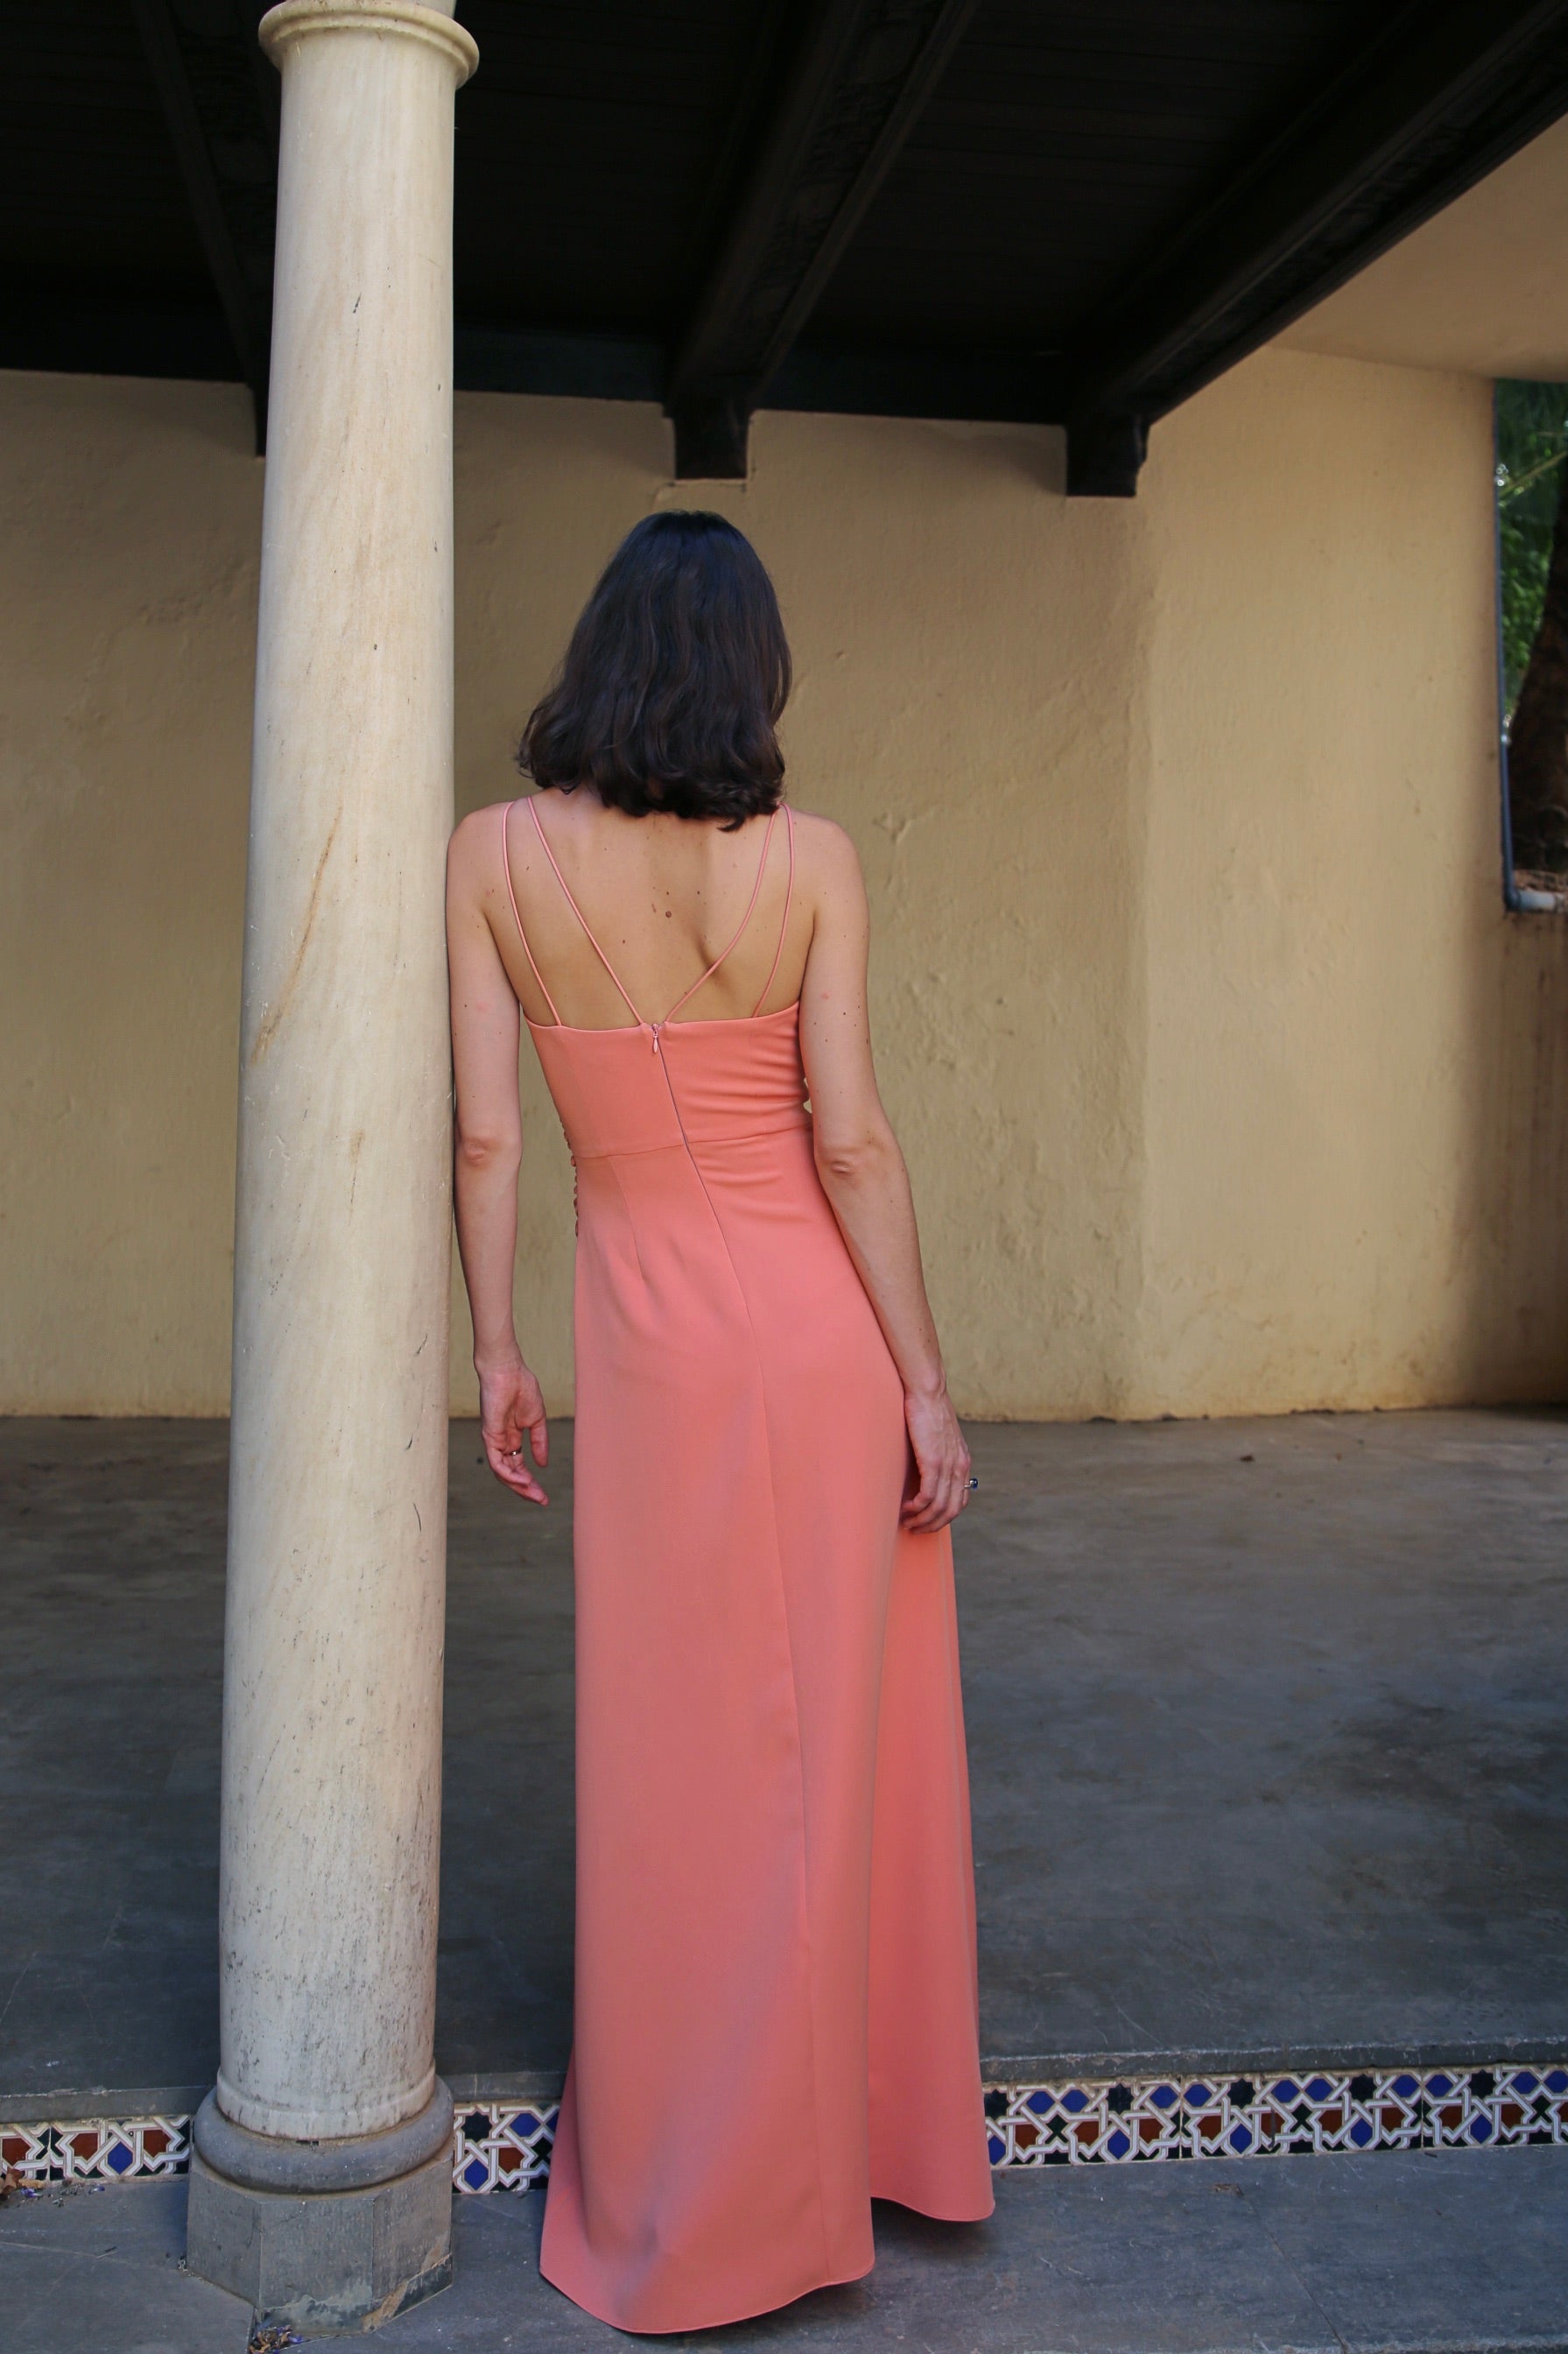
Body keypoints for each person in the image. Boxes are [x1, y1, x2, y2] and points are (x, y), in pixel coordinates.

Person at [445, 511, 992, 2332]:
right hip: (817, 1343)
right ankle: (846, 2151)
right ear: (751, 673)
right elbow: (852, 1140)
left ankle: (691, 2179)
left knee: (673, 1764)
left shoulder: (490, 855)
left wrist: (496, 1349)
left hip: (651, 1350)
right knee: (842, 1752)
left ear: (599, 652)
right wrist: (923, 1381)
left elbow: (486, 1136)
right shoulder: (810, 859)